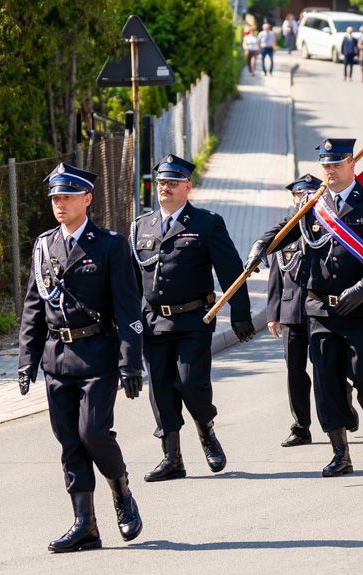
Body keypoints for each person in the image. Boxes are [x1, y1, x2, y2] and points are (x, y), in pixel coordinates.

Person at [246, 138, 363, 477]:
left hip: (360, 308)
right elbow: (282, 231)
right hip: (321, 311)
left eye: (336, 164)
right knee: (327, 382)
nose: (330, 171)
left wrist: (361, 289)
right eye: (326, 166)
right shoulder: (313, 203)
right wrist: (260, 246)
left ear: (351, 163)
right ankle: (340, 453)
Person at [18, 163, 143, 552]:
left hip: (98, 357)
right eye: (55, 197)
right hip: (58, 360)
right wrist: (27, 359)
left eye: (67, 197)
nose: (60, 204)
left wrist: (130, 362)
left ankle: (121, 492)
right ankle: (84, 524)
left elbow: (128, 310)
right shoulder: (44, 246)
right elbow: (33, 308)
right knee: (70, 442)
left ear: (87, 199)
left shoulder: (110, 245)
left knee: (93, 434)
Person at [131, 155, 254, 482]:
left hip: (194, 321)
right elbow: (129, 285)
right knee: (160, 388)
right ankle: (172, 457)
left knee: (189, 382)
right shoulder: (141, 227)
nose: (165, 189)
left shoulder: (206, 223)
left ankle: (206, 432)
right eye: (161, 183)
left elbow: (231, 271)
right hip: (154, 323)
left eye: (172, 183)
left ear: (188, 186)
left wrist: (241, 315)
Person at [267, 174, 321, 447]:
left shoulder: (327, 227)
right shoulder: (285, 231)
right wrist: (272, 313)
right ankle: (301, 427)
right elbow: (276, 274)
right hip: (290, 313)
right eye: (301, 195)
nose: (306, 199)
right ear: (294, 199)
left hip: (320, 312)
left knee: (326, 370)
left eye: (311, 193)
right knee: (295, 373)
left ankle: (339, 411)